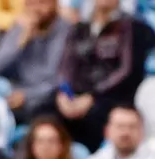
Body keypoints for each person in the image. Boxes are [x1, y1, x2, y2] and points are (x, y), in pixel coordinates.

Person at [57, 0, 153, 150]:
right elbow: (66, 65)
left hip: (111, 97)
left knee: (96, 115)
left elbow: (127, 71)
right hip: (76, 95)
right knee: (47, 113)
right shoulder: (80, 28)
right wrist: (64, 93)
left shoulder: (131, 27)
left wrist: (93, 96)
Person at [0, 0, 69, 124]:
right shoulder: (21, 28)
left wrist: (27, 96)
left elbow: (57, 80)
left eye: (41, 3)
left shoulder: (65, 31)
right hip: (15, 96)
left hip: (47, 101)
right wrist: (19, 43)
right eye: (30, 4)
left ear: (55, 4)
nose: (35, 9)